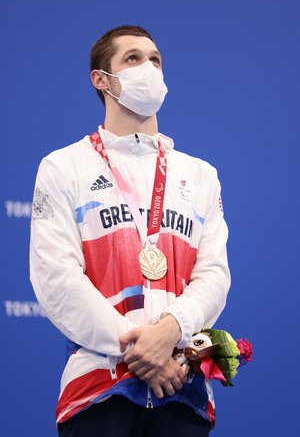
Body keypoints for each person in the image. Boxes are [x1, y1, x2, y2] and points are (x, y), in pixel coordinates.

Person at [30, 25, 230, 437]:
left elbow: (214, 276)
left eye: (155, 60)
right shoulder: (63, 167)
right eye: (133, 59)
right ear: (102, 80)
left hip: (181, 386)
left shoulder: (201, 175)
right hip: (97, 388)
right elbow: (56, 277)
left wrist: (171, 330)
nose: (149, 68)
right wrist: (143, 349)